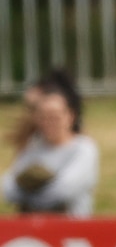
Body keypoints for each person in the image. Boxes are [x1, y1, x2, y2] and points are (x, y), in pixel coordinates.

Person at [2, 75, 98, 217]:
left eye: (55, 117)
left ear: (70, 116)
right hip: (34, 230)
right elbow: (8, 187)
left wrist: (28, 197)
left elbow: (64, 190)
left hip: (70, 231)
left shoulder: (83, 149)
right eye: (44, 117)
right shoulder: (33, 146)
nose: (49, 122)